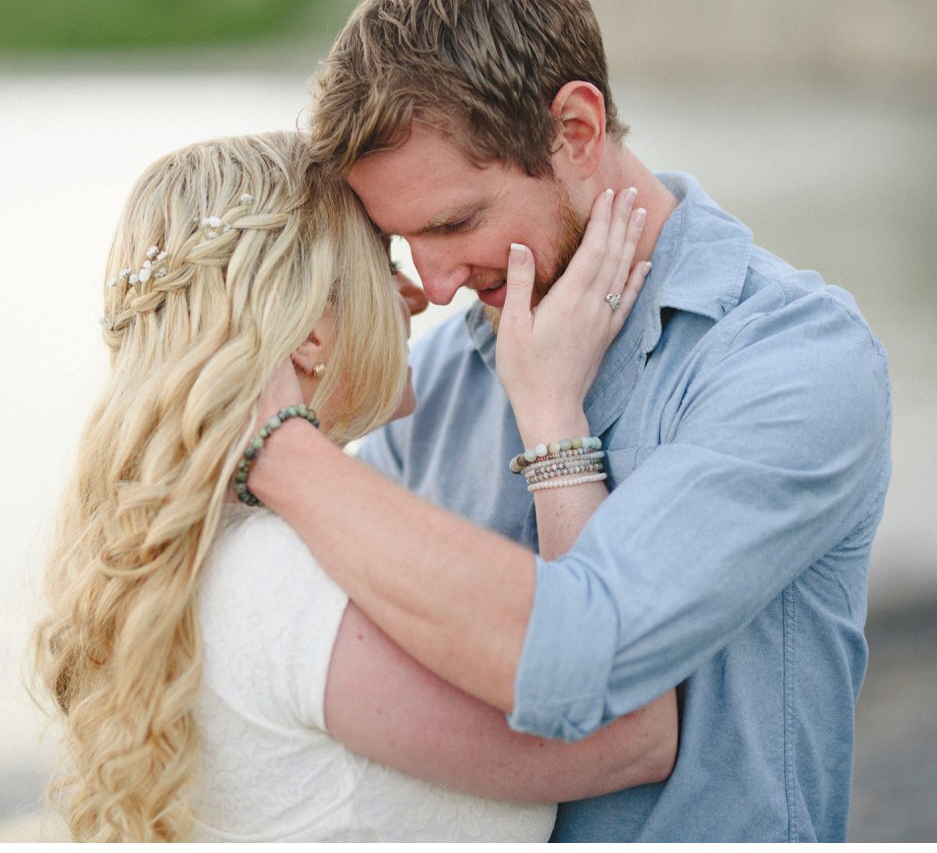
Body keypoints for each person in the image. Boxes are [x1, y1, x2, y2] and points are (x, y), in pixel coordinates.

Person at [246, 0, 893, 841]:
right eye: (402, 243)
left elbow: (590, 675)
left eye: (455, 223)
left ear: (577, 133)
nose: (432, 288)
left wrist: (273, 446)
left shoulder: (793, 362)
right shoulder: (435, 383)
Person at [33, 131, 675, 842]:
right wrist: (552, 414)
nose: (415, 294)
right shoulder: (276, 579)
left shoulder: (207, 548)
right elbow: (631, 729)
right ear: (310, 330)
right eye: (380, 259)